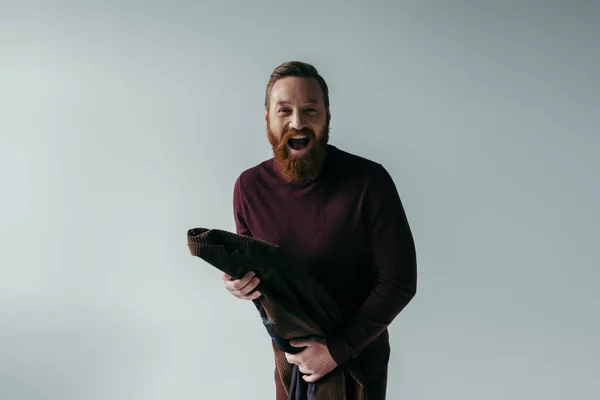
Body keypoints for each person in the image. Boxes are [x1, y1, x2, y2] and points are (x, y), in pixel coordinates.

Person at [222, 60, 417, 399]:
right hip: (292, 364)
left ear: (327, 116)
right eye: (285, 110)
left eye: (310, 110)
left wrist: (335, 351)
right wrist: (240, 283)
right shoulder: (249, 187)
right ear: (268, 118)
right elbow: (260, 277)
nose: (297, 122)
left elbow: (399, 282)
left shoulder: (370, 182)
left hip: (358, 361)